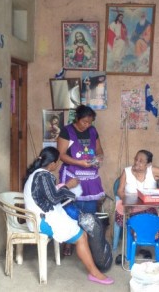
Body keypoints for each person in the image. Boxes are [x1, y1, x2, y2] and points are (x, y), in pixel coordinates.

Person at [23, 146, 114, 285]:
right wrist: (68, 186)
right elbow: (53, 198)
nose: (58, 164)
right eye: (58, 162)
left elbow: (47, 195)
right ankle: (94, 273)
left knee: (80, 232)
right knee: (80, 236)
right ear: (53, 163)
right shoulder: (43, 175)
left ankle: (94, 271)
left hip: (37, 218)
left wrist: (64, 187)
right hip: (41, 222)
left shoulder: (35, 174)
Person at [57, 105, 105, 256]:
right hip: (73, 175)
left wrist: (98, 158)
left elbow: (99, 150)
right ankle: (69, 243)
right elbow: (62, 155)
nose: (87, 125)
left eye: (90, 122)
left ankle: (89, 242)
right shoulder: (67, 131)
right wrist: (79, 163)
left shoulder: (93, 131)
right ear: (77, 119)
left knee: (90, 210)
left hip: (90, 177)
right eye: (84, 121)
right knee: (71, 209)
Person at [117, 149, 159, 215]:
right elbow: (120, 191)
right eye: (136, 159)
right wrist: (126, 202)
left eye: (141, 161)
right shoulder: (126, 171)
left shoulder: (152, 171)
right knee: (122, 214)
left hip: (149, 207)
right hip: (130, 207)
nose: (136, 163)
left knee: (149, 219)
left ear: (148, 164)